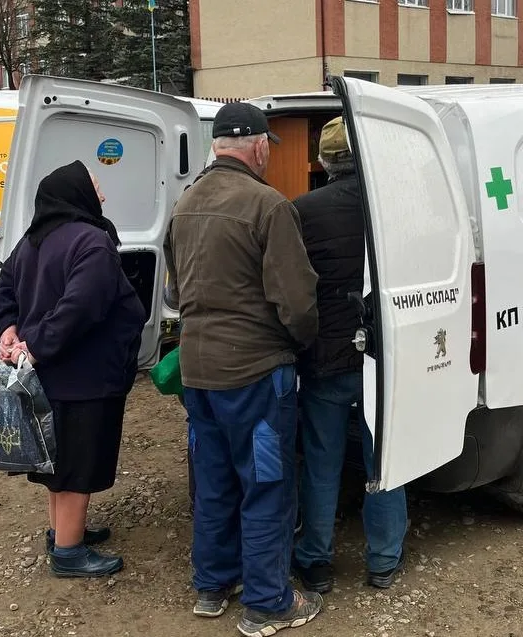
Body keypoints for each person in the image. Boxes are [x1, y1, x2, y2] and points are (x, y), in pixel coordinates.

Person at [165, 102, 322, 637]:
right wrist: (301, 346)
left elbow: (171, 292)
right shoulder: (269, 207)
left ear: (216, 146)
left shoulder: (183, 207)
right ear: (257, 146)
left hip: (198, 373)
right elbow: (297, 304)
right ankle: (267, 603)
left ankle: (212, 587)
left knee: (213, 482)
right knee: (266, 485)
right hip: (256, 375)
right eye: (267, 148)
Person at [0, 160, 146, 578]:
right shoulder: (91, 241)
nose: (104, 196)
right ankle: (70, 554)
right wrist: (34, 347)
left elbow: (0, 293)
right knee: (77, 464)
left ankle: (61, 532)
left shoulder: (32, 241)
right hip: (84, 378)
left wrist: (8, 331)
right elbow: (80, 307)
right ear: (77, 194)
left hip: (47, 380)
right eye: (96, 188)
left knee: (58, 461)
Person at [290, 116, 408, 594]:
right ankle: (383, 559)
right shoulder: (395, 207)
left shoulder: (302, 210)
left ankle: (316, 560)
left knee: (322, 461)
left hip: (327, 357)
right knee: (386, 457)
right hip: (386, 356)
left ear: (322, 161)